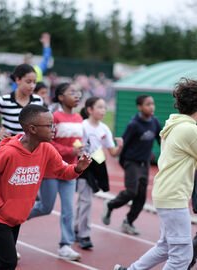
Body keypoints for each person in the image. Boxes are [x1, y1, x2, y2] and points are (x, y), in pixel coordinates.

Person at [0, 104, 91, 269]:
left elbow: (62, 171)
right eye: (49, 125)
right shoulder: (8, 153)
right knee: (9, 261)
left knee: (2, 262)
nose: (54, 129)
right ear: (32, 129)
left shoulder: (46, 149)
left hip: (17, 215)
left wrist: (78, 168)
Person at [113, 78, 197, 270]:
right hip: (174, 196)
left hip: (167, 193)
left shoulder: (176, 124)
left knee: (166, 247)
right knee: (182, 257)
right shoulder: (189, 129)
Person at [28, 82, 84, 261]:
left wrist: (81, 153)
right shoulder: (54, 117)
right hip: (51, 169)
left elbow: (77, 142)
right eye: (71, 92)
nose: (76, 95)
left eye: (77, 92)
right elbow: (47, 142)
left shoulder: (79, 118)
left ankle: (65, 245)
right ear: (60, 97)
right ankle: (10, 222)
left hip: (70, 169)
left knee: (68, 209)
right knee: (45, 207)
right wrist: (69, 151)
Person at [102, 94, 161, 235]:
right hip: (131, 162)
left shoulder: (155, 122)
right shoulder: (133, 124)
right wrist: (124, 163)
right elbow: (124, 144)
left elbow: (160, 139)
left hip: (145, 163)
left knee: (141, 197)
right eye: (148, 104)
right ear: (140, 107)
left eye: (153, 104)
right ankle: (110, 204)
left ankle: (128, 221)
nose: (151, 107)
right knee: (131, 192)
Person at [74, 97, 123, 249]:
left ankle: (76, 228)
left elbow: (113, 152)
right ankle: (84, 235)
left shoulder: (104, 128)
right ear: (90, 110)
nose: (103, 110)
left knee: (85, 200)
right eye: (100, 107)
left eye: (104, 107)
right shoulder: (82, 126)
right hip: (83, 165)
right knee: (86, 201)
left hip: (97, 166)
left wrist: (120, 146)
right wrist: (78, 148)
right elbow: (75, 144)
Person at [0, 64, 43, 150]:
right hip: (6, 147)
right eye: (28, 82)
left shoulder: (38, 101)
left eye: (34, 82)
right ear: (18, 80)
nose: (32, 86)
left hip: (28, 148)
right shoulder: (4, 100)